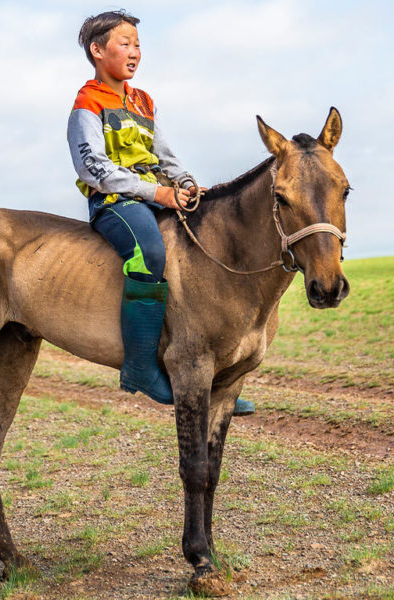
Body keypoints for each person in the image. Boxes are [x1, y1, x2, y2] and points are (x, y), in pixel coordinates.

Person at [67, 10, 254, 417]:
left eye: (137, 44)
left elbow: (163, 155)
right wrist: (159, 193)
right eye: (125, 43)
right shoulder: (87, 102)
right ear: (97, 51)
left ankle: (212, 380)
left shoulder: (143, 101)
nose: (135, 52)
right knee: (150, 253)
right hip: (115, 203)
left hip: (156, 195)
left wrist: (186, 184)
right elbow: (91, 168)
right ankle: (138, 367)